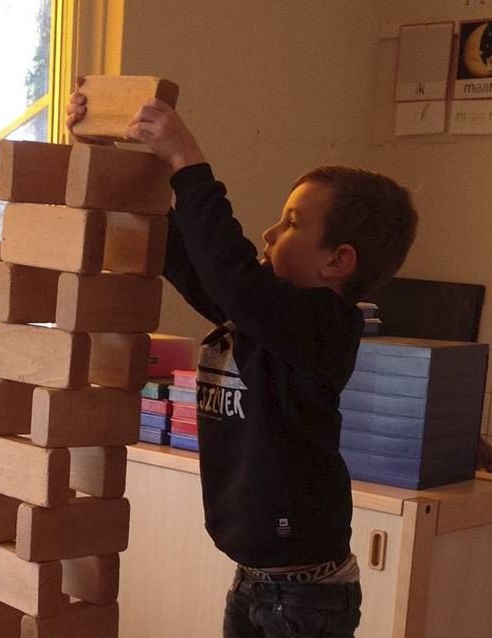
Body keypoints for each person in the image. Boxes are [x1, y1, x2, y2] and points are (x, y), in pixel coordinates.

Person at [67, 90, 418, 637]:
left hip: (306, 597)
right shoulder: (258, 317)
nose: (270, 233)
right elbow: (192, 263)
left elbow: (231, 276)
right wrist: (112, 155)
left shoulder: (322, 327)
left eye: (292, 222)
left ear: (337, 261)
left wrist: (188, 160)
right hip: (259, 580)